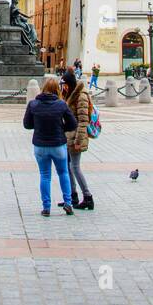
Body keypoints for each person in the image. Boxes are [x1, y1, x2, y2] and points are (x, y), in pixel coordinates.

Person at [23, 76, 77, 217]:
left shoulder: (33, 104)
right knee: (63, 173)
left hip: (40, 145)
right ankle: (68, 203)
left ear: (43, 89)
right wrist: (61, 128)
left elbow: (27, 125)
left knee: (45, 175)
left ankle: (46, 207)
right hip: (58, 144)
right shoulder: (61, 104)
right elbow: (73, 124)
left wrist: (39, 126)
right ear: (56, 90)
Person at [61, 67, 94, 210]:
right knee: (68, 167)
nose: (63, 87)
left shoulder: (80, 96)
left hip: (76, 138)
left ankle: (87, 197)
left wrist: (79, 141)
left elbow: (83, 120)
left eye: (65, 84)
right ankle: (72, 196)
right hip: (68, 136)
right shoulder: (70, 94)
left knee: (75, 167)